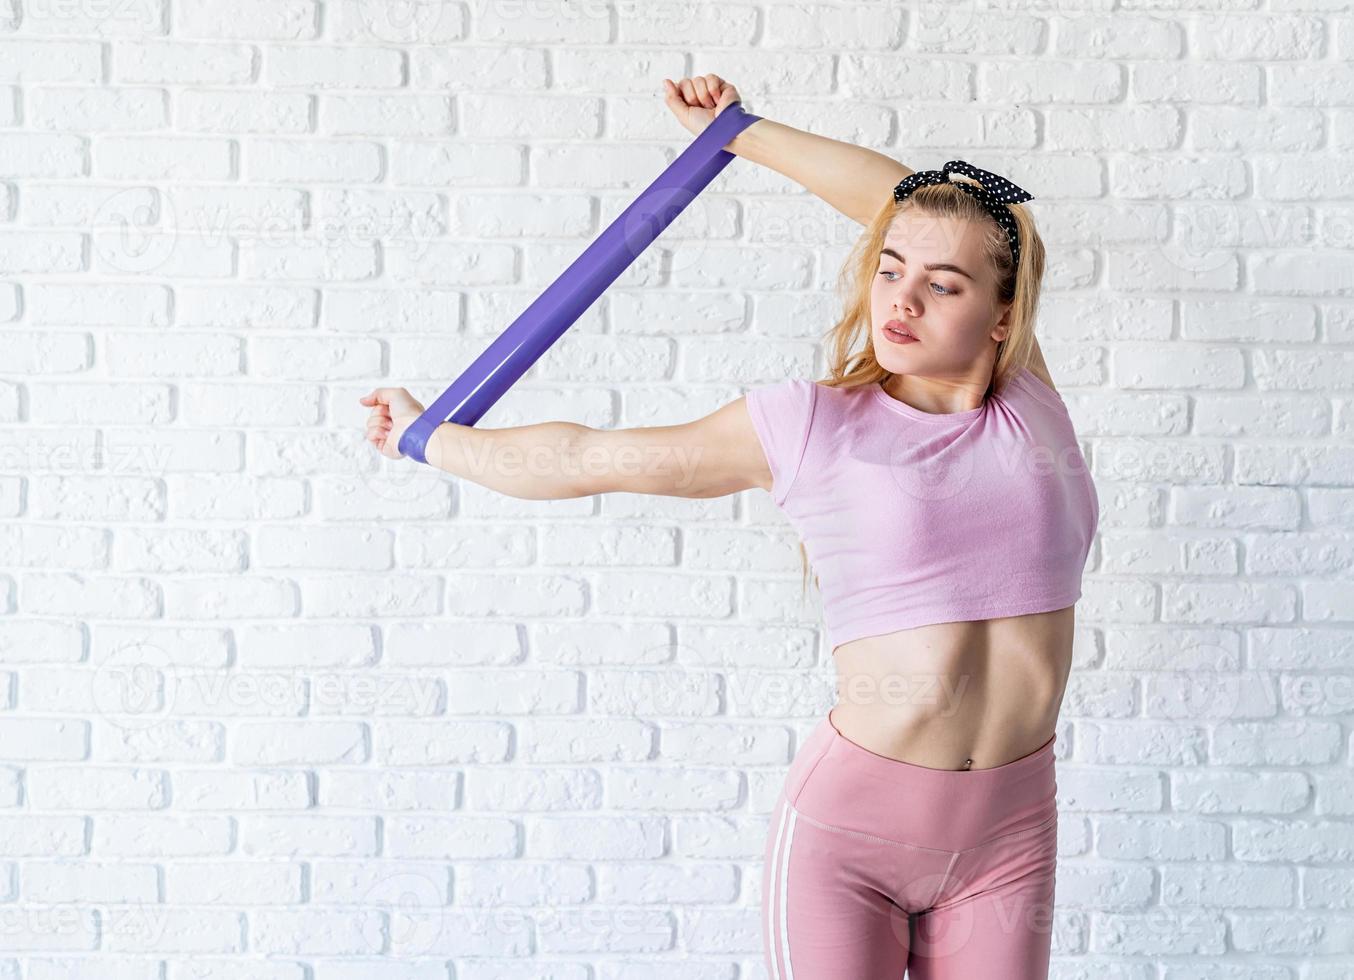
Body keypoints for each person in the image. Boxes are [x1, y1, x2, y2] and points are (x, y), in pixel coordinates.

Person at [360, 73, 1099, 980]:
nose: (901, 300)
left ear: (1001, 318)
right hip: (854, 834)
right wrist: (432, 440)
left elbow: (896, 197)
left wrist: (744, 131)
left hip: (1011, 830)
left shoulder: (1031, 405)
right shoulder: (813, 424)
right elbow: (596, 457)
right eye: (889, 271)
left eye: (943, 287)